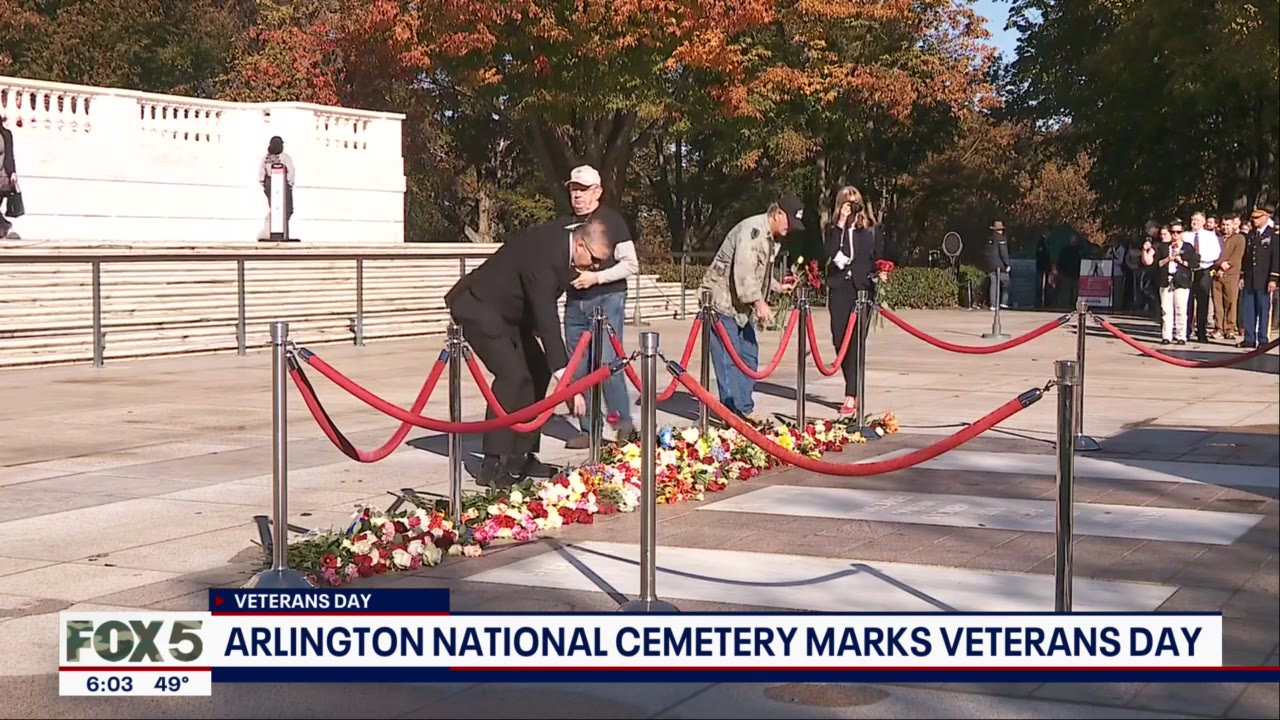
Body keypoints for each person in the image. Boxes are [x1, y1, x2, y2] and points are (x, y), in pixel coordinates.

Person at [445, 217, 612, 488]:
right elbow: (547, 318)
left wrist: (558, 372)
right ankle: (492, 463)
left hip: (510, 313)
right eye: (594, 261)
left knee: (537, 368)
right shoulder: (547, 254)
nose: (595, 268)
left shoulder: (565, 249)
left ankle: (521, 454)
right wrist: (567, 382)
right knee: (512, 376)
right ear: (580, 244)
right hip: (479, 306)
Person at [700, 192, 804, 422]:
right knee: (729, 357)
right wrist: (759, 302)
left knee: (748, 356)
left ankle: (744, 408)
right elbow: (744, 272)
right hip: (721, 303)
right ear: (777, 214)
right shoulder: (752, 232)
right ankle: (731, 413)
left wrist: (777, 286)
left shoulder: (769, 237)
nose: (791, 229)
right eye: (790, 222)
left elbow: (759, 273)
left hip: (741, 306)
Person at [556, 165, 639, 449]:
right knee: (578, 369)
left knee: (607, 365)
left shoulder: (612, 221)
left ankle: (621, 425)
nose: (577, 196)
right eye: (573, 189)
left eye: (583, 189)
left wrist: (597, 277)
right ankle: (589, 428)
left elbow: (631, 264)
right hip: (575, 304)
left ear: (598, 192)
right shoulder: (563, 223)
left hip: (607, 300)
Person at [823, 186, 881, 417]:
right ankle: (851, 383)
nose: (852, 205)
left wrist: (881, 272)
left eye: (855, 202)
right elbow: (827, 251)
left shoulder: (869, 230)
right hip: (840, 288)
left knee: (857, 342)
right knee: (840, 340)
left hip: (862, 289)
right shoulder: (834, 228)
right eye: (848, 202)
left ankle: (851, 394)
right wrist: (841, 222)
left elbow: (878, 256)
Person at [1143, 225, 1198, 345]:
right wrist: (1168, 258)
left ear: (1182, 233)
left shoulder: (1187, 247)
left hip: (1181, 280)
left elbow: (1194, 263)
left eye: (1178, 232)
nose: (1175, 234)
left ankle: (1181, 336)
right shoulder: (1164, 247)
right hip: (1166, 280)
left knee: (1181, 309)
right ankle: (1166, 336)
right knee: (1166, 310)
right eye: (1173, 232)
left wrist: (1181, 261)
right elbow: (1156, 263)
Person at [1239, 206, 1278, 349]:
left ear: (1266, 217)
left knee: (1263, 309)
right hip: (1250, 278)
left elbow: (1276, 259)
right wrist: (1243, 275)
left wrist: (1273, 278)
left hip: (1264, 279)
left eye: (1257, 218)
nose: (1254, 220)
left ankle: (1263, 339)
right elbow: (1247, 257)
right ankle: (1249, 338)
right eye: (1253, 218)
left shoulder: (1273, 236)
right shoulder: (1251, 235)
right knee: (1248, 309)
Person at [1214, 213, 1246, 341]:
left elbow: (1237, 256)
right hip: (1216, 274)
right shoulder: (1217, 238)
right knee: (1218, 303)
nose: (1225, 227)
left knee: (1231, 302)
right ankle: (1218, 328)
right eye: (1223, 225)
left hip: (1231, 274)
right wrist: (1218, 265)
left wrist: (1225, 266)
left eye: (1228, 225)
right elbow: (1212, 253)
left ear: (1233, 225)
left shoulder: (1239, 238)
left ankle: (1230, 329)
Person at [259, 136, 296, 240]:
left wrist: (265, 185)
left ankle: (276, 232)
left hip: (270, 183)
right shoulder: (284, 157)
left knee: (275, 209)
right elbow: (291, 171)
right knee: (287, 209)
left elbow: (261, 175)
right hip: (282, 184)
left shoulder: (266, 158)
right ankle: (283, 233)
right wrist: (289, 184)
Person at [985, 220, 1011, 309]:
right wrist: (1007, 264)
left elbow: (987, 253)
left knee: (993, 285)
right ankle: (1004, 302)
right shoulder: (1001, 239)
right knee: (1006, 283)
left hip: (991, 265)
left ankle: (993, 304)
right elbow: (1003, 252)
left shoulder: (989, 239)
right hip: (1000, 265)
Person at [0, 116, 18, 239]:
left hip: (2, 177)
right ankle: (4, 228)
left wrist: (13, 172)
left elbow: (10, 155)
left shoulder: (6, 134)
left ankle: (5, 227)